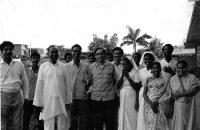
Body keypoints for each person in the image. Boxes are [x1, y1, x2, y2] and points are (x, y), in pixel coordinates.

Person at [33, 45, 72, 130]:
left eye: (56, 52)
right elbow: (39, 85)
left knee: (62, 125)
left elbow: (67, 85)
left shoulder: (63, 66)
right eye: (52, 52)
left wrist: (68, 101)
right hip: (47, 100)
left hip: (61, 99)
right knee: (48, 125)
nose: (54, 54)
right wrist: (39, 103)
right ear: (48, 53)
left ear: (58, 54)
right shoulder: (43, 67)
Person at [0, 41, 29, 130]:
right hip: (3, 97)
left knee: (17, 124)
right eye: (6, 49)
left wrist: (26, 96)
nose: (8, 51)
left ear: (13, 51)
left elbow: (24, 80)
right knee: (4, 124)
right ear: (1, 51)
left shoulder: (19, 64)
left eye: (10, 49)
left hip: (17, 97)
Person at [88, 47, 117, 130]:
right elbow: (90, 81)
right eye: (97, 54)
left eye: (102, 54)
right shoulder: (91, 67)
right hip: (96, 99)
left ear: (105, 55)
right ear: (95, 56)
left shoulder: (111, 66)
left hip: (109, 99)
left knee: (109, 123)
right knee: (97, 124)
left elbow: (115, 80)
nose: (100, 56)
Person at [65, 44, 90, 130]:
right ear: (71, 52)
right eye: (74, 51)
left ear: (81, 52)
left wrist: (87, 86)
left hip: (83, 97)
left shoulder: (86, 66)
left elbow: (90, 80)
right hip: (71, 98)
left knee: (83, 120)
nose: (76, 53)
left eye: (78, 51)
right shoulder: (66, 66)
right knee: (72, 120)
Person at [170, 60, 200, 130]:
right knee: (180, 124)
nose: (181, 70)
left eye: (183, 68)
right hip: (178, 106)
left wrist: (181, 95)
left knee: (190, 123)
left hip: (190, 104)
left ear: (187, 68)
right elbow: (173, 94)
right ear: (176, 68)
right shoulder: (173, 79)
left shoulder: (192, 77)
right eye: (179, 68)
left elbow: (195, 89)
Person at [143, 62, 170, 130]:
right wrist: (151, 104)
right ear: (151, 70)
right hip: (149, 105)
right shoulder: (148, 79)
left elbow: (168, 94)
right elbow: (144, 94)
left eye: (158, 68)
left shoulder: (165, 80)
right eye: (154, 68)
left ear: (160, 69)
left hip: (161, 105)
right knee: (151, 124)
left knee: (161, 125)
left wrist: (157, 102)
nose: (156, 69)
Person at [117, 56, 140, 130]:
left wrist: (128, 77)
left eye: (125, 64)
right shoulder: (123, 72)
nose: (124, 66)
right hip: (123, 95)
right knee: (123, 113)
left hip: (131, 96)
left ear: (130, 64)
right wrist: (122, 77)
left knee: (131, 114)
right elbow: (118, 86)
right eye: (122, 64)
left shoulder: (135, 73)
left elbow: (137, 88)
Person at [137, 51, 158, 130]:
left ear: (153, 60)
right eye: (145, 59)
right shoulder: (141, 71)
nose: (147, 61)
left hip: (153, 92)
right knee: (143, 112)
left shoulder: (156, 70)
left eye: (149, 59)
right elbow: (139, 84)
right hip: (143, 93)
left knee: (152, 112)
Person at [23, 52, 41, 130]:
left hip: (39, 98)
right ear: (31, 59)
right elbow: (23, 83)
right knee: (27, 116)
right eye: (33, 58)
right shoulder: (26, 70)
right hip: (28, 98)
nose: (35, 60)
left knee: (40, 117)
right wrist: (24, 96)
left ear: (39, 59)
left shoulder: (42, 70)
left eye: (37, 58)